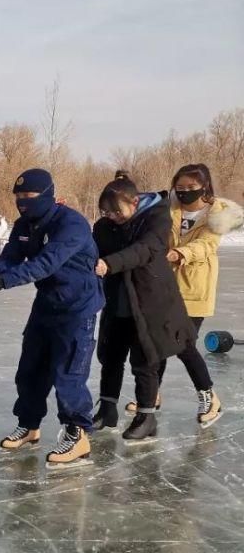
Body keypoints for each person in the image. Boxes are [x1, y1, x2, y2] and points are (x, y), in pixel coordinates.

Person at [0, 168, 103, 468]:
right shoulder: (24, 224)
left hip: (77, 306)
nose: (23, 201)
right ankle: (29, 425)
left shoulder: (71, 224)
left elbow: (46, 264)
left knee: (68, 372)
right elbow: (10, 257)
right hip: (46, 304)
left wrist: (2, 283)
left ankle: (78, 433)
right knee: (30, 368)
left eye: (29, 196)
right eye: (18, 196)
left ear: (46, 195)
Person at [126, 163, 243, 423]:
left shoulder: (217, 215)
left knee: (183, 344)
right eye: (180, 188)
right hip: (163, 285)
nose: (185, 192)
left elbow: (206, 246)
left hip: (194, 287)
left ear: (205, 186)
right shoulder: (168, 209)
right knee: (157, 341)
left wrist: (181, 253)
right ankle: (151, 394)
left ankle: (209, 396)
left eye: (192, 187)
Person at [91, 178, 197, 440]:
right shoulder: (104, 227)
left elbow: (145, 250)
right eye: (107, 212)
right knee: (111, 356)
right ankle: (107, 408)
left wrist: (109, 263)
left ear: (134, 202)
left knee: (145, 361)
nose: (113, 217)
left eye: (117, 211)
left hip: (150, 301)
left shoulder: (157, 219)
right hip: (118, 301)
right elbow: (91, 252)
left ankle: (146, 416)